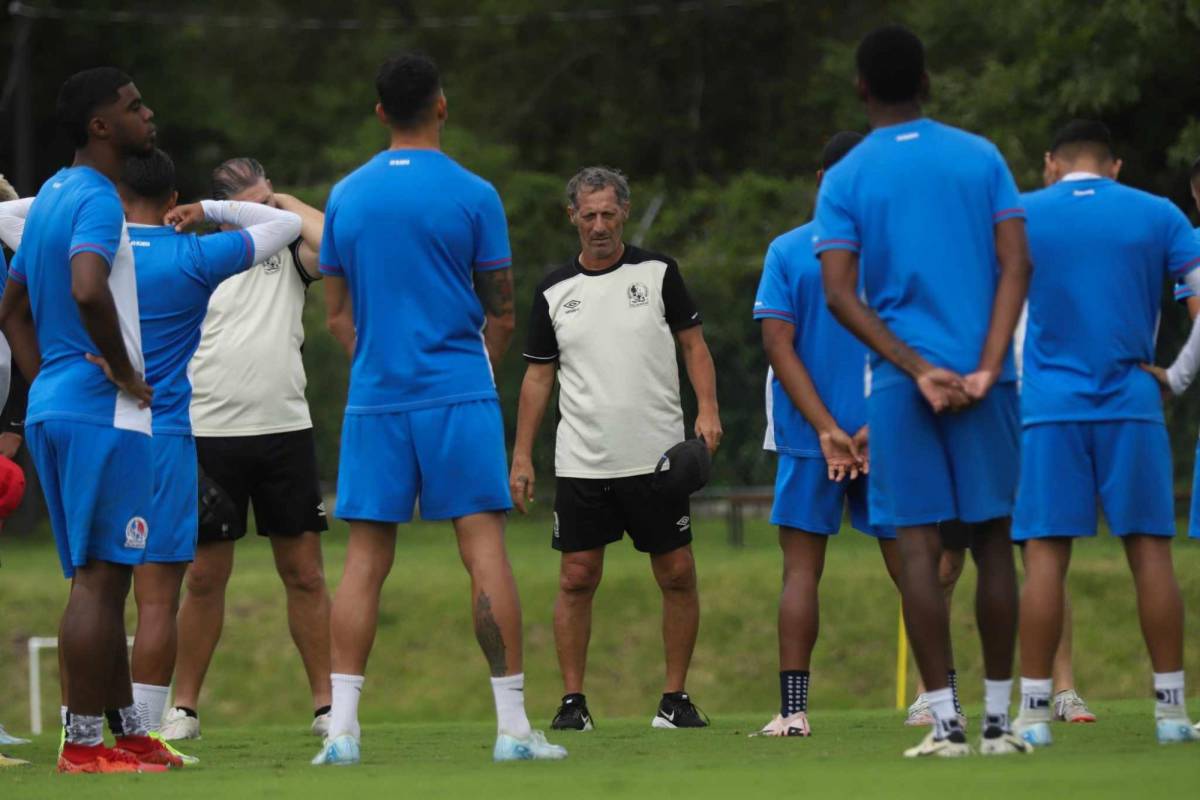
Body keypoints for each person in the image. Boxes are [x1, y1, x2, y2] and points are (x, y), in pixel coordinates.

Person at [313, 52, 565, 766]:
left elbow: (336, 315)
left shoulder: (345, 196)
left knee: (364, 560)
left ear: (380, 113)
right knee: (483, 548)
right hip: (458, 390)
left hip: (376, 397)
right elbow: (504, 312)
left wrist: (382, 364)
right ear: (442, 106)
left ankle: (342, 734)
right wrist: (463, 371)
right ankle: (514, 731)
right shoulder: (475, 193)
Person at [816, 26, 1032, 757]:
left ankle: (946, 724)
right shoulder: (982, 157)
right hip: (987, 380)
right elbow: (1017, 265)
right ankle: (1001, 724)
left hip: (902, 388)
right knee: (996, 542)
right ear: (928, 81)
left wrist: (917, 371)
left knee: (916, 548)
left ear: (861, 89)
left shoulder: (845, 175)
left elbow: (841, 295)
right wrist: (986, 365)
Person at [0, 67, 179, 773]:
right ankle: (81, 746)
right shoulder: (101, 199)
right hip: (102, 411)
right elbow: (85, 287)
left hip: (58, 409)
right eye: (134, 107)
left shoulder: (46, 201)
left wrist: (50, 380)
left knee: (105, 576)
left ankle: (128, 731)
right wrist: (123, 372)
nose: (148, 113)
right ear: (101, 127)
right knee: (102, 580)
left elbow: (11, 310)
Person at [511, 165, 722, 732]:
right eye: (589, 214)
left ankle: (673, 699)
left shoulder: (658, 272)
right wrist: (522, 454)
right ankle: (573, 704)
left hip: (658, 458)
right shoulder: (555, 289)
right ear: (572, 217)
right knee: (577, 576)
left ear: (624, 212)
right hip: (583, 460)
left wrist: (707, 409)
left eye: (608, 213)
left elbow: (694, 346)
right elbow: (537, 379)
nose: (599, 225)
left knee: (677, 572)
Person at [1019, 120, 1200, 746]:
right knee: (1151, 554)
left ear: (1052, 163)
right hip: (1132, 402)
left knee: (1045, 556)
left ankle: (1035, 714)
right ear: (1115, 165)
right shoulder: (1159, 213)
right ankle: (1173, 713)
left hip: (1049, 407)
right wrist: (1175, 377)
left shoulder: (1020, 213)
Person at [115, 150, 301, 748]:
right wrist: (225, 211)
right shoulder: (196, 255)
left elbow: (12, 215)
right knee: (177, 586)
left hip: (272, 430)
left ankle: (84, 734)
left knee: (92, 587)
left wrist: (86, 207)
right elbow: (283, 227)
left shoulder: (98, 253)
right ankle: (160, 723)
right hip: (186, 429)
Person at [161, 157, 332, 741]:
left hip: (285, 431)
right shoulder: (197, 255)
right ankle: (183, 708)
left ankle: (327, 707)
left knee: (304, 573)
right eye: (255, 204)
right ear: (226, 211)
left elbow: (333, 241)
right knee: (205, 578)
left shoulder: (289, 254)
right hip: (207, 432)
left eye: (271, 202)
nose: (270, 212)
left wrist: (281, 202)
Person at [750, 132, 902, 738]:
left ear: (821, 182)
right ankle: (941, 703)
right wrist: (867, 427)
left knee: (800, 573)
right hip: (884, 431)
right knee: (915, 567)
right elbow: (911, 345)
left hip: (812, 438)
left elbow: (777, 345)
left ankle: (793, 712)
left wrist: (826, 430)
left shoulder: (787, 250)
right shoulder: (893, 252)